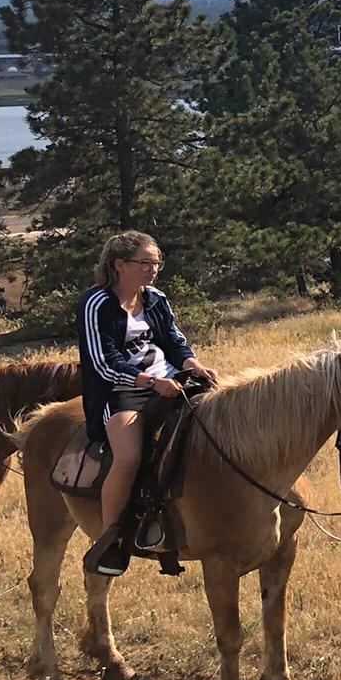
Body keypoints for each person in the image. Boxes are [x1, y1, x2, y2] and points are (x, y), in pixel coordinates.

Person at [78, 231, 218, 577]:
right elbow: (103, 363)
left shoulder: (155, 298)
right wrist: (151, 382)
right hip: (120, 391)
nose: (153, 269)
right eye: (145, 262)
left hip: (169, 380)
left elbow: (174, 340)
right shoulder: (95, 304)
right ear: (119, 265)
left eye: (156, 262)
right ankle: (111, 540)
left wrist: (192, 364)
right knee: (129, 457)